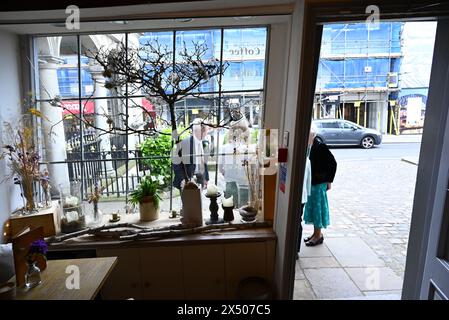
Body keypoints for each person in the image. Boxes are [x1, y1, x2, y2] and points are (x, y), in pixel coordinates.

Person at [303, 123, 337, 247]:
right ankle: (316, 234)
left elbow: (332, 163)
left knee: (318, 209)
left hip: (319, 182)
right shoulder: (308, 145)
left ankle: (318, 236)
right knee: (312, 208)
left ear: (312, 135)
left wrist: (329, 181)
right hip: (311, 182)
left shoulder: (320, 146)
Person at [173, 118, 210, 190]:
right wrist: (183, 180)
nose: (207, 132)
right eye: (205, 130)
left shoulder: (203, 143)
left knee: (199, 201)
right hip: (187, 181)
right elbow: (176, 164)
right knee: (189, 201)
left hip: (200, 179)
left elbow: (204, 162)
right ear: (198, 131)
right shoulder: (184, 143)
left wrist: (206, 178)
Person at [296, 124, 313, 258]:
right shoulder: (306, 159)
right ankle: (295, 249)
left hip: (300, 197)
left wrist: (306, 194)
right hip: (301, 196)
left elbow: (308, 179)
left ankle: (295, 249)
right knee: (298, 222)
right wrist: (306, 195)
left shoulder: (305, 160)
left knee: (297, 223)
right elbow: (308, 180)